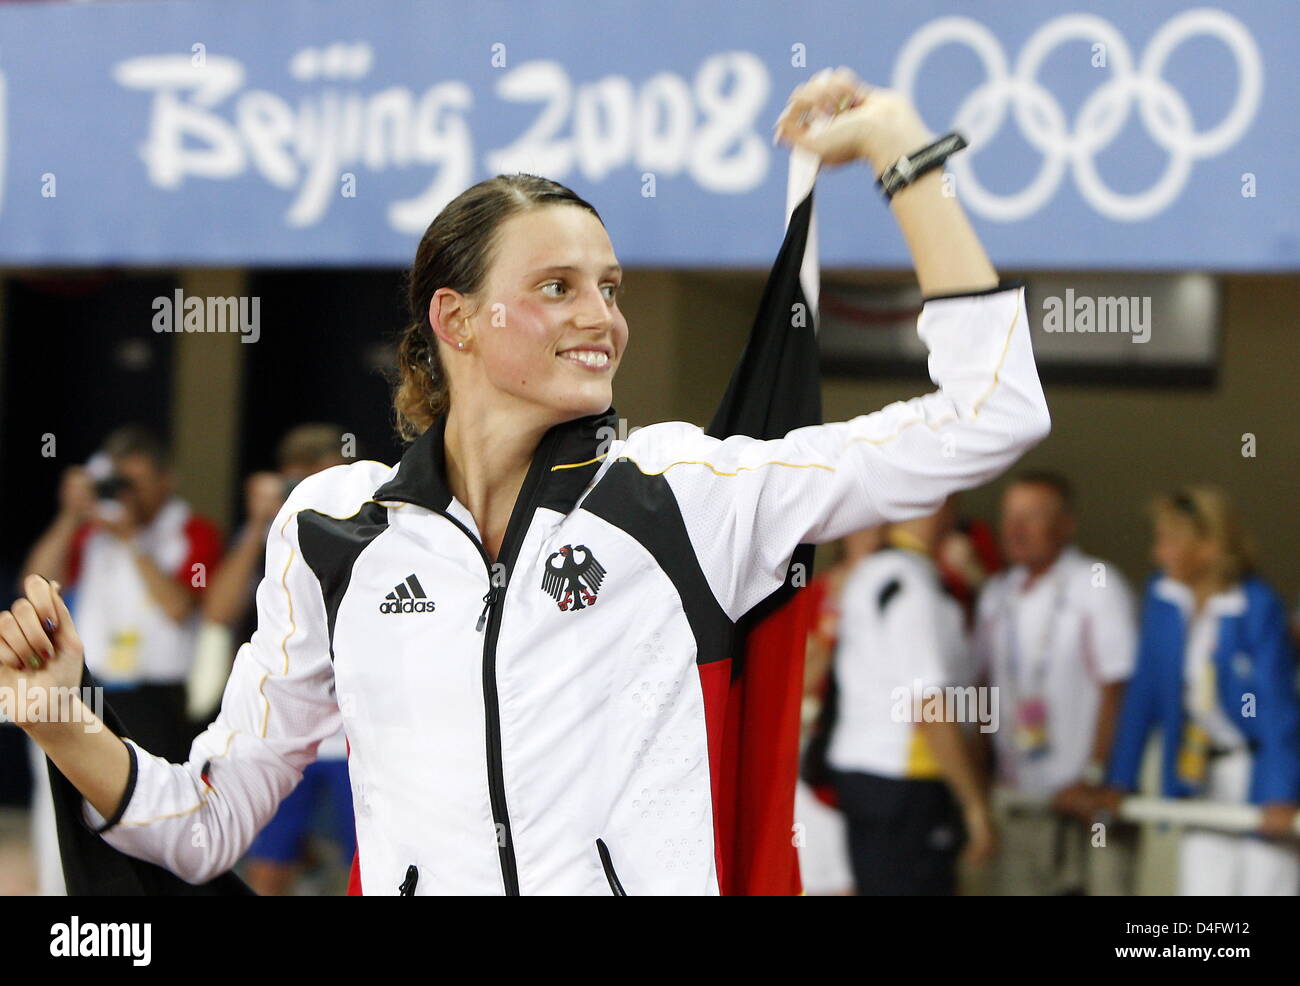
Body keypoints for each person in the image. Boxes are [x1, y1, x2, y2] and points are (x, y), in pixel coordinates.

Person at [2, 69, 1051, 895]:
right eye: (557, 287)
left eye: (610, 286)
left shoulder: (683, 490)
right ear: (455, 321)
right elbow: (208, 823)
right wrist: (62, 721)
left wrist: (904, 153)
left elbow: (989, 412)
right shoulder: (332, 531)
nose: (602, 315)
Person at [1083, 487, 1299, 896]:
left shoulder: (1256, 605)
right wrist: (1119, 779)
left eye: (1169, 541)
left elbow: (1277, 709)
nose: (1157, 554)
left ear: (1208, 545)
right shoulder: (1164, 602)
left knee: (1268, 883)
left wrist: (1280, 793)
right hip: (1196, 770)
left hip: (1256, 768)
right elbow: (1143, 697)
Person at [198, 424, 355, 895]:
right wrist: (258, 527)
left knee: (368, 867)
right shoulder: (277, 539)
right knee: (268, 870)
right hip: (288, 729)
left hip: (356, 736)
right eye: (298, 483)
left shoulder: (380, 525)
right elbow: (217, 613)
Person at [973, 472, 1137, 895]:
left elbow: (1119, 687)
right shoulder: (995, 593)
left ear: (1066, 524)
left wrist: (1097, 773)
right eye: (1009, 517)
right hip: (1019, 801)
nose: (1016, 529)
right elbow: (979, 690)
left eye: (1032, 517)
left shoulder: (1096, 582)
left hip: (1086, 805)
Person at [824, 499, 995, 894]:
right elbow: (930, 706)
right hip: (907, 780)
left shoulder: (869, 573)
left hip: (866, 774)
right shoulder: (913, 585)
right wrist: (974, 804)